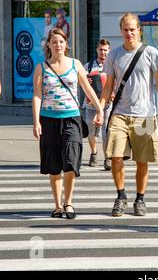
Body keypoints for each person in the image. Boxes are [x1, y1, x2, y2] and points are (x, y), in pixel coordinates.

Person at [98, 12, 158, 217]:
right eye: (125, 29)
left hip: (145, 115)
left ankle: (140, 198)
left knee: (142, 159)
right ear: (121, 31)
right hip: (119, 113)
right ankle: (121, 196)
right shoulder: (114, 55)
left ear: (139, 30)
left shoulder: (150, 52)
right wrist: (102, 109)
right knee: (116, 157)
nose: (129, 33)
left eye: (132, 29)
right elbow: (108, 86)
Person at [32, 28, 104, 219]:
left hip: (72, 118)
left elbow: (87, 88)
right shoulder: (42, 67)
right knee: (54, 165)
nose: (58, 45)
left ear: (66, 44)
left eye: (61, 42)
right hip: (48, 120)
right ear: (49, 45)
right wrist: (36, 121)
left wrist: (99, 108)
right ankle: (57, 205)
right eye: (54, 42)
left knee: (71, 163)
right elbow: (37, 95)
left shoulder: (76, 64)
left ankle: (69, 202)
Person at [83, 39, 112, 170]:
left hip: (107, 104)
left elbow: (117, 83)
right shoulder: (88, 66)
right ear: (97, 50)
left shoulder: (112, 65)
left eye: (105, 50)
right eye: (101, 49)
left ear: (109, 51)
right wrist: (85, 80)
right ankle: (94, 153)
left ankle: (107, 158)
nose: (103, 52)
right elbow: (81, 81)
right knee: (91, 132)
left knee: (107, 132)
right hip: (91, 105)